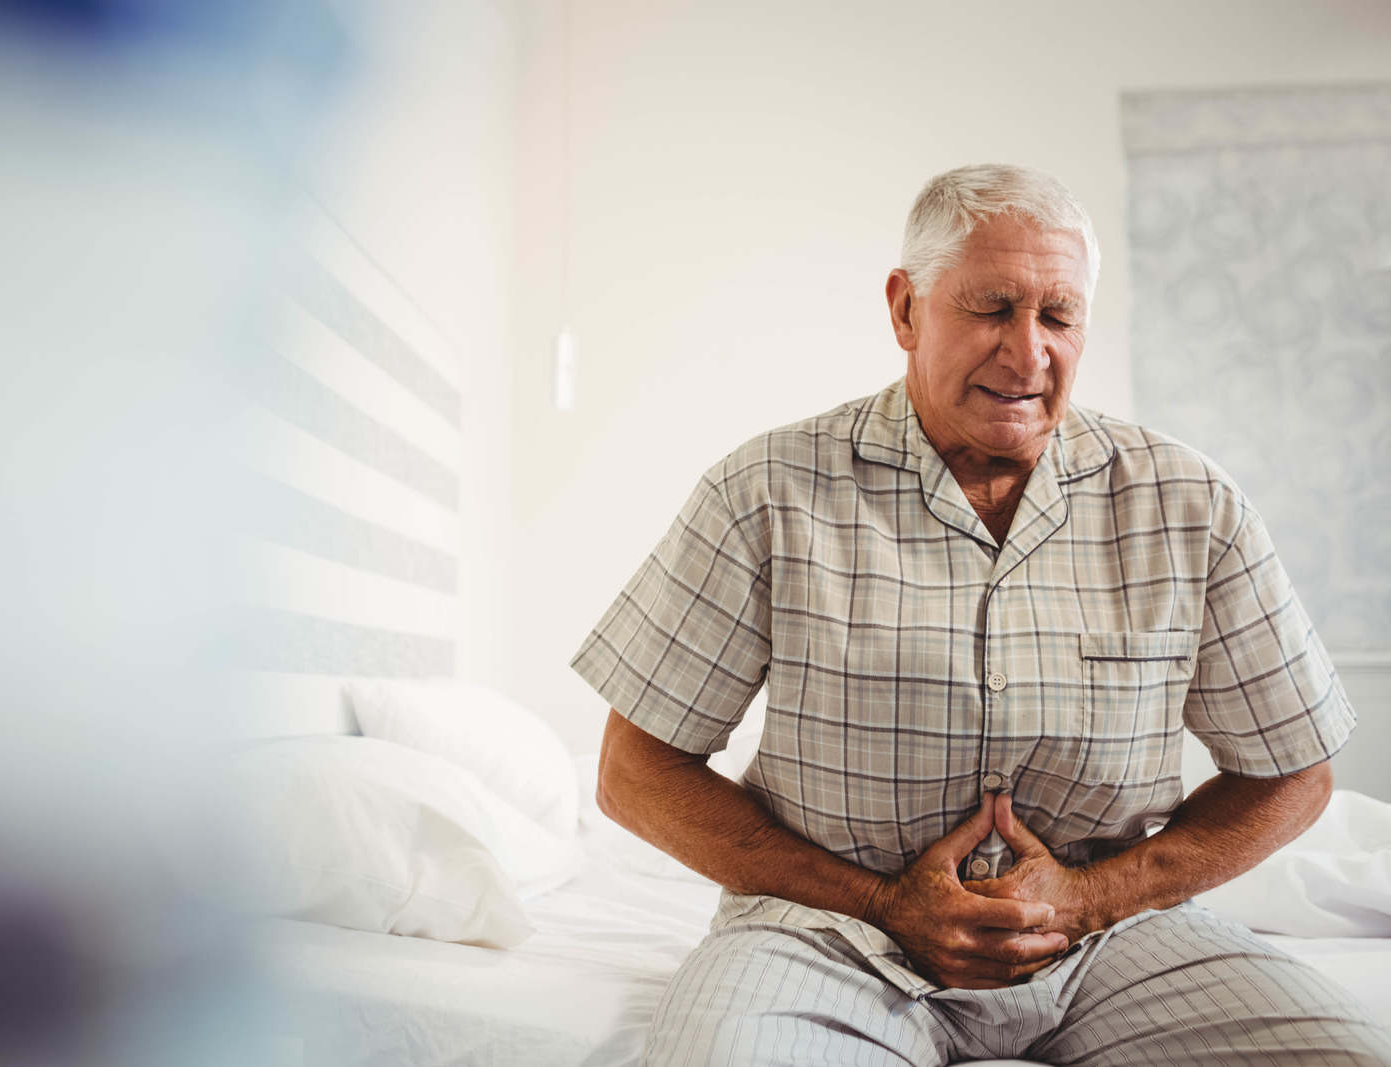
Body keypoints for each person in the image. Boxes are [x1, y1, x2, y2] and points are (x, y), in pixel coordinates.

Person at [570, 163, 1391, 1066]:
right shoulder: (765, 489)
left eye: (1058, 316)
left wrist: (1093, 898)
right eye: (992, 307)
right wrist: (882, 903)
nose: (1028, 352)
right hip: (830, 936)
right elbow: (634, 770)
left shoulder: (1189, 499)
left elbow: (1293, 772)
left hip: (1108, 940)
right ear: (905, 309)